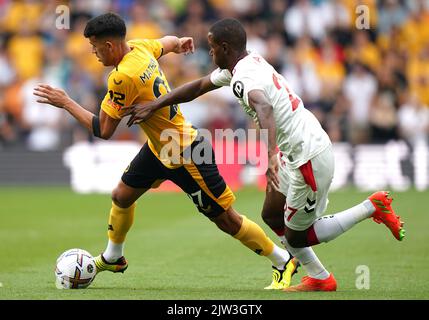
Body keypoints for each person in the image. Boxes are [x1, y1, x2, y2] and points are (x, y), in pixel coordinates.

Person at [124, 18, 406, 292]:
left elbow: (264, 107)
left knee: (298, 236)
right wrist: (155, 105)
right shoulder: (243, 64)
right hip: (294, 149)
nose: (208, 52)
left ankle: (372, 207)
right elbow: (197, 87)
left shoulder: (244, 78)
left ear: (224, 47)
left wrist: (270, 155)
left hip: (309, 156)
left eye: (211, 46)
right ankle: (319, 277)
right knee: (272, 214)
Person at [33, 13, 298, 290]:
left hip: (185, 151)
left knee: (227, 220)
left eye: (95, 47)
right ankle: (114, 257)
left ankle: (282, 260)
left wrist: (65, 102)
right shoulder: (138, 47)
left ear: (110, 45)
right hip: (160, 147)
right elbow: (167, 42)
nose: (94, 53)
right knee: (121, 196)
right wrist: (180, 42)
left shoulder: (123, 77)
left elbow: (104, 130)